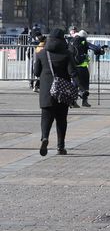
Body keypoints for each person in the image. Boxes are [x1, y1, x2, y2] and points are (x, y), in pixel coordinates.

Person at [33, 28, 78, 156]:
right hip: (62, 92)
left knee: (46, 117)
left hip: (47, 92)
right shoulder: (67, 54)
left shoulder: (42, 53)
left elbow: (36, 72)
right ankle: (60, 147)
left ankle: (45, 137)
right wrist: (82, 87)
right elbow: (72, 72)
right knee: (61, 120)